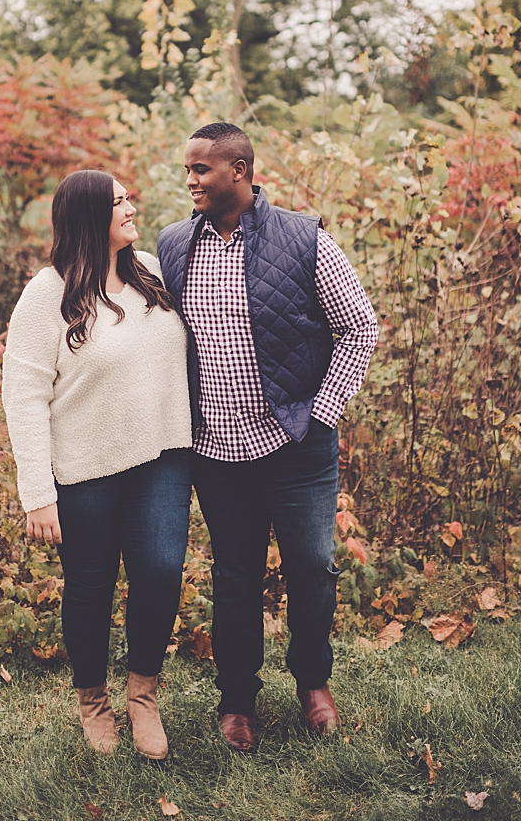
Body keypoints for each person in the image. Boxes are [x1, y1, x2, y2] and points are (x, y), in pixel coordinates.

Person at [154, 122, 378, 752]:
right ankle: (237, 702)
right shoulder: (173, 246)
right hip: (217, 454)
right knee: (235, 575)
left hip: (297, 447)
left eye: (202, 169)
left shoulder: (305, 240)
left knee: (311, 566)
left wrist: (321, 412)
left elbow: (360, 328)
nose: (190, 180)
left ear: (240, 171)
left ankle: (313, 684)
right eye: (188, 169)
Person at [2, 170, 193, 759]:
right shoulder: (47, 294)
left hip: (162, 453)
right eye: (119, 203)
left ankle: (143, 696)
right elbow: (24, 391)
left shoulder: (152, 274)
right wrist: (37, 491)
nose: (132, 207)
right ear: (90, 217)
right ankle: (93, 702)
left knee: (160, 571)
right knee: (91, 584)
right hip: (83, 467)